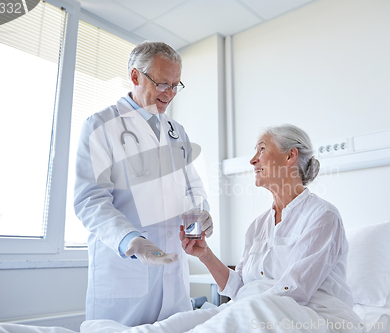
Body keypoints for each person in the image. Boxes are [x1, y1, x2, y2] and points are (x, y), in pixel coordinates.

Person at [79, 124, 365, 333]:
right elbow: (240, 286)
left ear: (290, 157)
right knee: (181, 323)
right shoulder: (258, 226)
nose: (253, 160)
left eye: (262, 150)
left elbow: (295, 291)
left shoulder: (322, 216)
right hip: (261, 309)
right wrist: (205, 255)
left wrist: (237, 308)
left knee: (237, 312)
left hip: (314, 318)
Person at [74, 41, 213, 326]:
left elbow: (192, 188)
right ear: (136, 76)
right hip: (125, 271)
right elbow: (90, 199)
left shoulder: (176, 131)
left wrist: (201, 215)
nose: (170, 94)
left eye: (176, 85)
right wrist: (130, 240)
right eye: (163, 83)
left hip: (173, 273)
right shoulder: (101, 125)